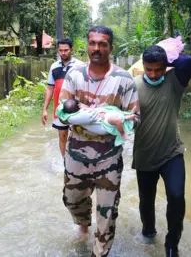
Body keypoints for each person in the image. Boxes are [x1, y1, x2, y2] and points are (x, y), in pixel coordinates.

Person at [59, 25, 140, 257]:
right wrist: (87, 116)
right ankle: (83, 224)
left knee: (107, 212)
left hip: (109, 156)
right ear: (87, 46)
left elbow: (136, 118)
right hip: (77, 153)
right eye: (93, 43)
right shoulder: (74, 75)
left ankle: (99, 252)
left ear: (110, 47)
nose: (97, 48)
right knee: (72, 199)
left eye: (102, 44)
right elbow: (63, 110)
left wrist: (115, 119)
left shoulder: (124, 80)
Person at [132, 37, 191, 257]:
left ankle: (171, 245)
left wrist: (168, 57)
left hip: (172, 153)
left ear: (166, 67)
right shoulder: (133, 86)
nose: (153, 74)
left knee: (177, 197)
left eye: (158, 69)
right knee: (146, 202)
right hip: (145, 155)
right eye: (149, 69)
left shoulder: (174, 81)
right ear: (143, 67)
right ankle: (148, 233)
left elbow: (188, 62)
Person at [42, 37, 84, 163]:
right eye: (61, 50)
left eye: (66, 50)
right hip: (59, 108)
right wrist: (44, 109)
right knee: (62, 135)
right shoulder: (54, 67)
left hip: (77, 108)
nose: (63, 53)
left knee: (79, 135)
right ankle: (66, 163)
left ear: (71, 50)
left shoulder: (80, 66)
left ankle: (80, 162)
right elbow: (50, 88)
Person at [57, 98, 136, 145]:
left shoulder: (76, 116)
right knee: (117, 119)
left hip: (104, 119)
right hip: (103, 119)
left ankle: (123, 131)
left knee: (117, 120)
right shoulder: (79, 115)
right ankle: (125, 118)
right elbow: (90, 112)